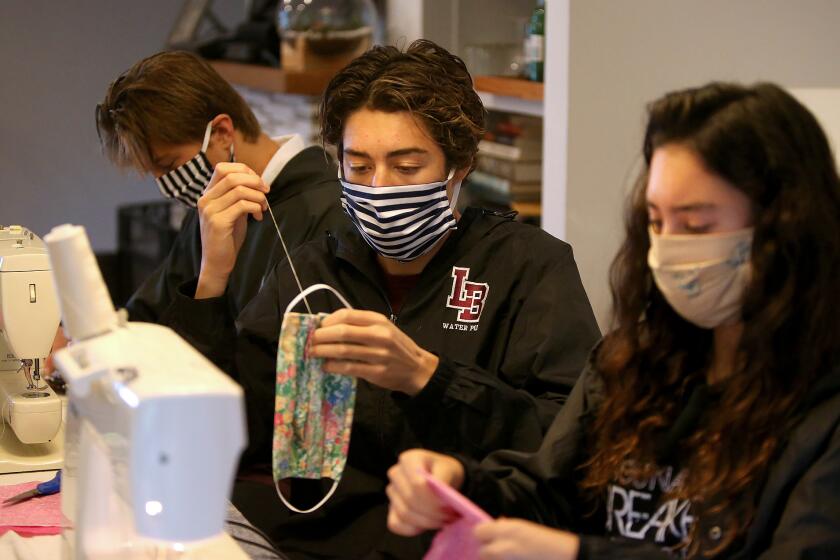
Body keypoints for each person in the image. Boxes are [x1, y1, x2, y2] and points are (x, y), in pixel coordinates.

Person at [179, 39, 600, 558]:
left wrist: (428, 376)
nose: (378, 189)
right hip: (311, 543)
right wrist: (213, 276)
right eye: (358, 167)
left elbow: (572, 445)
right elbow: (223, 435)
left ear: (459, 166)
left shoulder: (529, 268)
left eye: (406, 168)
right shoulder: (312, 271)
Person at [386, 82, 840, 559]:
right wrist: (463, 486)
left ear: (784, 227)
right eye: (657, 222)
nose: (668, 248)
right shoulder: (633, 361)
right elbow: (550, 493)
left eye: (698, 226)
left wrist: (578, 555)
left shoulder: (823, 410)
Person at [93, 50, 345, 348]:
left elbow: (267, 370)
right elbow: (146, 316)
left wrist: (212, 277)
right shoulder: (209, 211)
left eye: (169, 165)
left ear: (222, 133)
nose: (166, 186)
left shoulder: (325, 212)